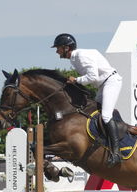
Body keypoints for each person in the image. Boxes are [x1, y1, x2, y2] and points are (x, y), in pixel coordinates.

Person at [51, 33, 123, 167]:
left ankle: (116, 153)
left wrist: (76, 80)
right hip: (103, 85)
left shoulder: (80, 56)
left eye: (58, 48)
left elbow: (93, 76)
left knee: (106, 116)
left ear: (66, 48)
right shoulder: (74, 58)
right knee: (93, 113)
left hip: (111, 82)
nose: (57, 51)